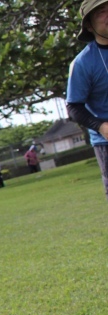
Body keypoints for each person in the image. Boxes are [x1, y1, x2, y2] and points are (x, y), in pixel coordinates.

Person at [67, 0, 108, 200]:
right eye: (101, 12)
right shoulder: (83, 63)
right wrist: (101, 126)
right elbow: (74, 107)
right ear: (89, 25)